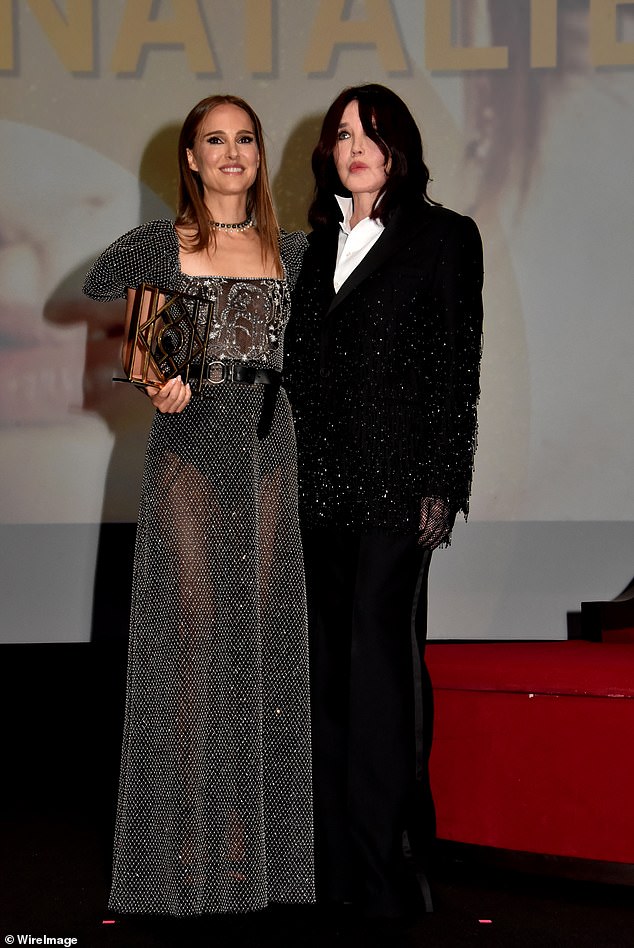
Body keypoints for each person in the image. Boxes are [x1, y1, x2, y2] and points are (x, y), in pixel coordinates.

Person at [83, 94, 314, 916]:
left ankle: (253, 853)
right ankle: (183, 851)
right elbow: (127, 329)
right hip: (192, 443)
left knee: (259, 635)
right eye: (213, 140)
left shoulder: (293, 250)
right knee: (193, 631)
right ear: (189, 157)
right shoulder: (164, 244)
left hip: (269, 442)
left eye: (244, 139)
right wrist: (154, 373)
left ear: (259, 155)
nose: (231, 152)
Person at [284, 84, 483, 921]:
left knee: (381, 671)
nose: (354, 144)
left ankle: (391, 864)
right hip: (311, 486)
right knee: (326, 674)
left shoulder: (444, 236)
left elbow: (456, 371)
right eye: (341, 134)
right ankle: (332, 865)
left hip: (400, 487)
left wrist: (442, 484)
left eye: (370, 131)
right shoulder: (307, 247)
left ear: (399, 144)